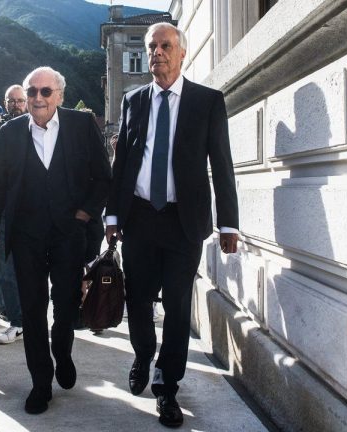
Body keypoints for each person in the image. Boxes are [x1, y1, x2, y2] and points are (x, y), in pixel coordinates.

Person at [105, 23, 240, 428]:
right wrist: (113, 215)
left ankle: (166, 385)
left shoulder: (207, 101)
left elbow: (222, 163)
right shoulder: (134, 100)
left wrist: (229, 223)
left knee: (178, 306)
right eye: (151, 47)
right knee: (138, 298)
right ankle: (144, 352)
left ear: (182, 53)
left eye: (165, 46)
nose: (156, 53)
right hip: (141, 217)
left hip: (184, 221)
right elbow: (123, 163)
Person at [0, 67, 111, 414]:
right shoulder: (9, 133)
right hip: (26, 234)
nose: (37, 98)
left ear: (60, 95)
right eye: (32, 92)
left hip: (69, 233)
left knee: (67, 303)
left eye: (45, 91)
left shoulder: (81, 125)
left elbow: (103, 177)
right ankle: (40, 382)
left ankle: (63, 352)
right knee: (32, 308)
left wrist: (85, 213)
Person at [0, 84, 28, 344]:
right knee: (4, 267)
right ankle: (16, 320)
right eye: (11, 100)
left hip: (31, 208)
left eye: (19, 100)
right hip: (4, 208)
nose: (15, 104)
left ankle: (24, 318)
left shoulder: (34, 127)